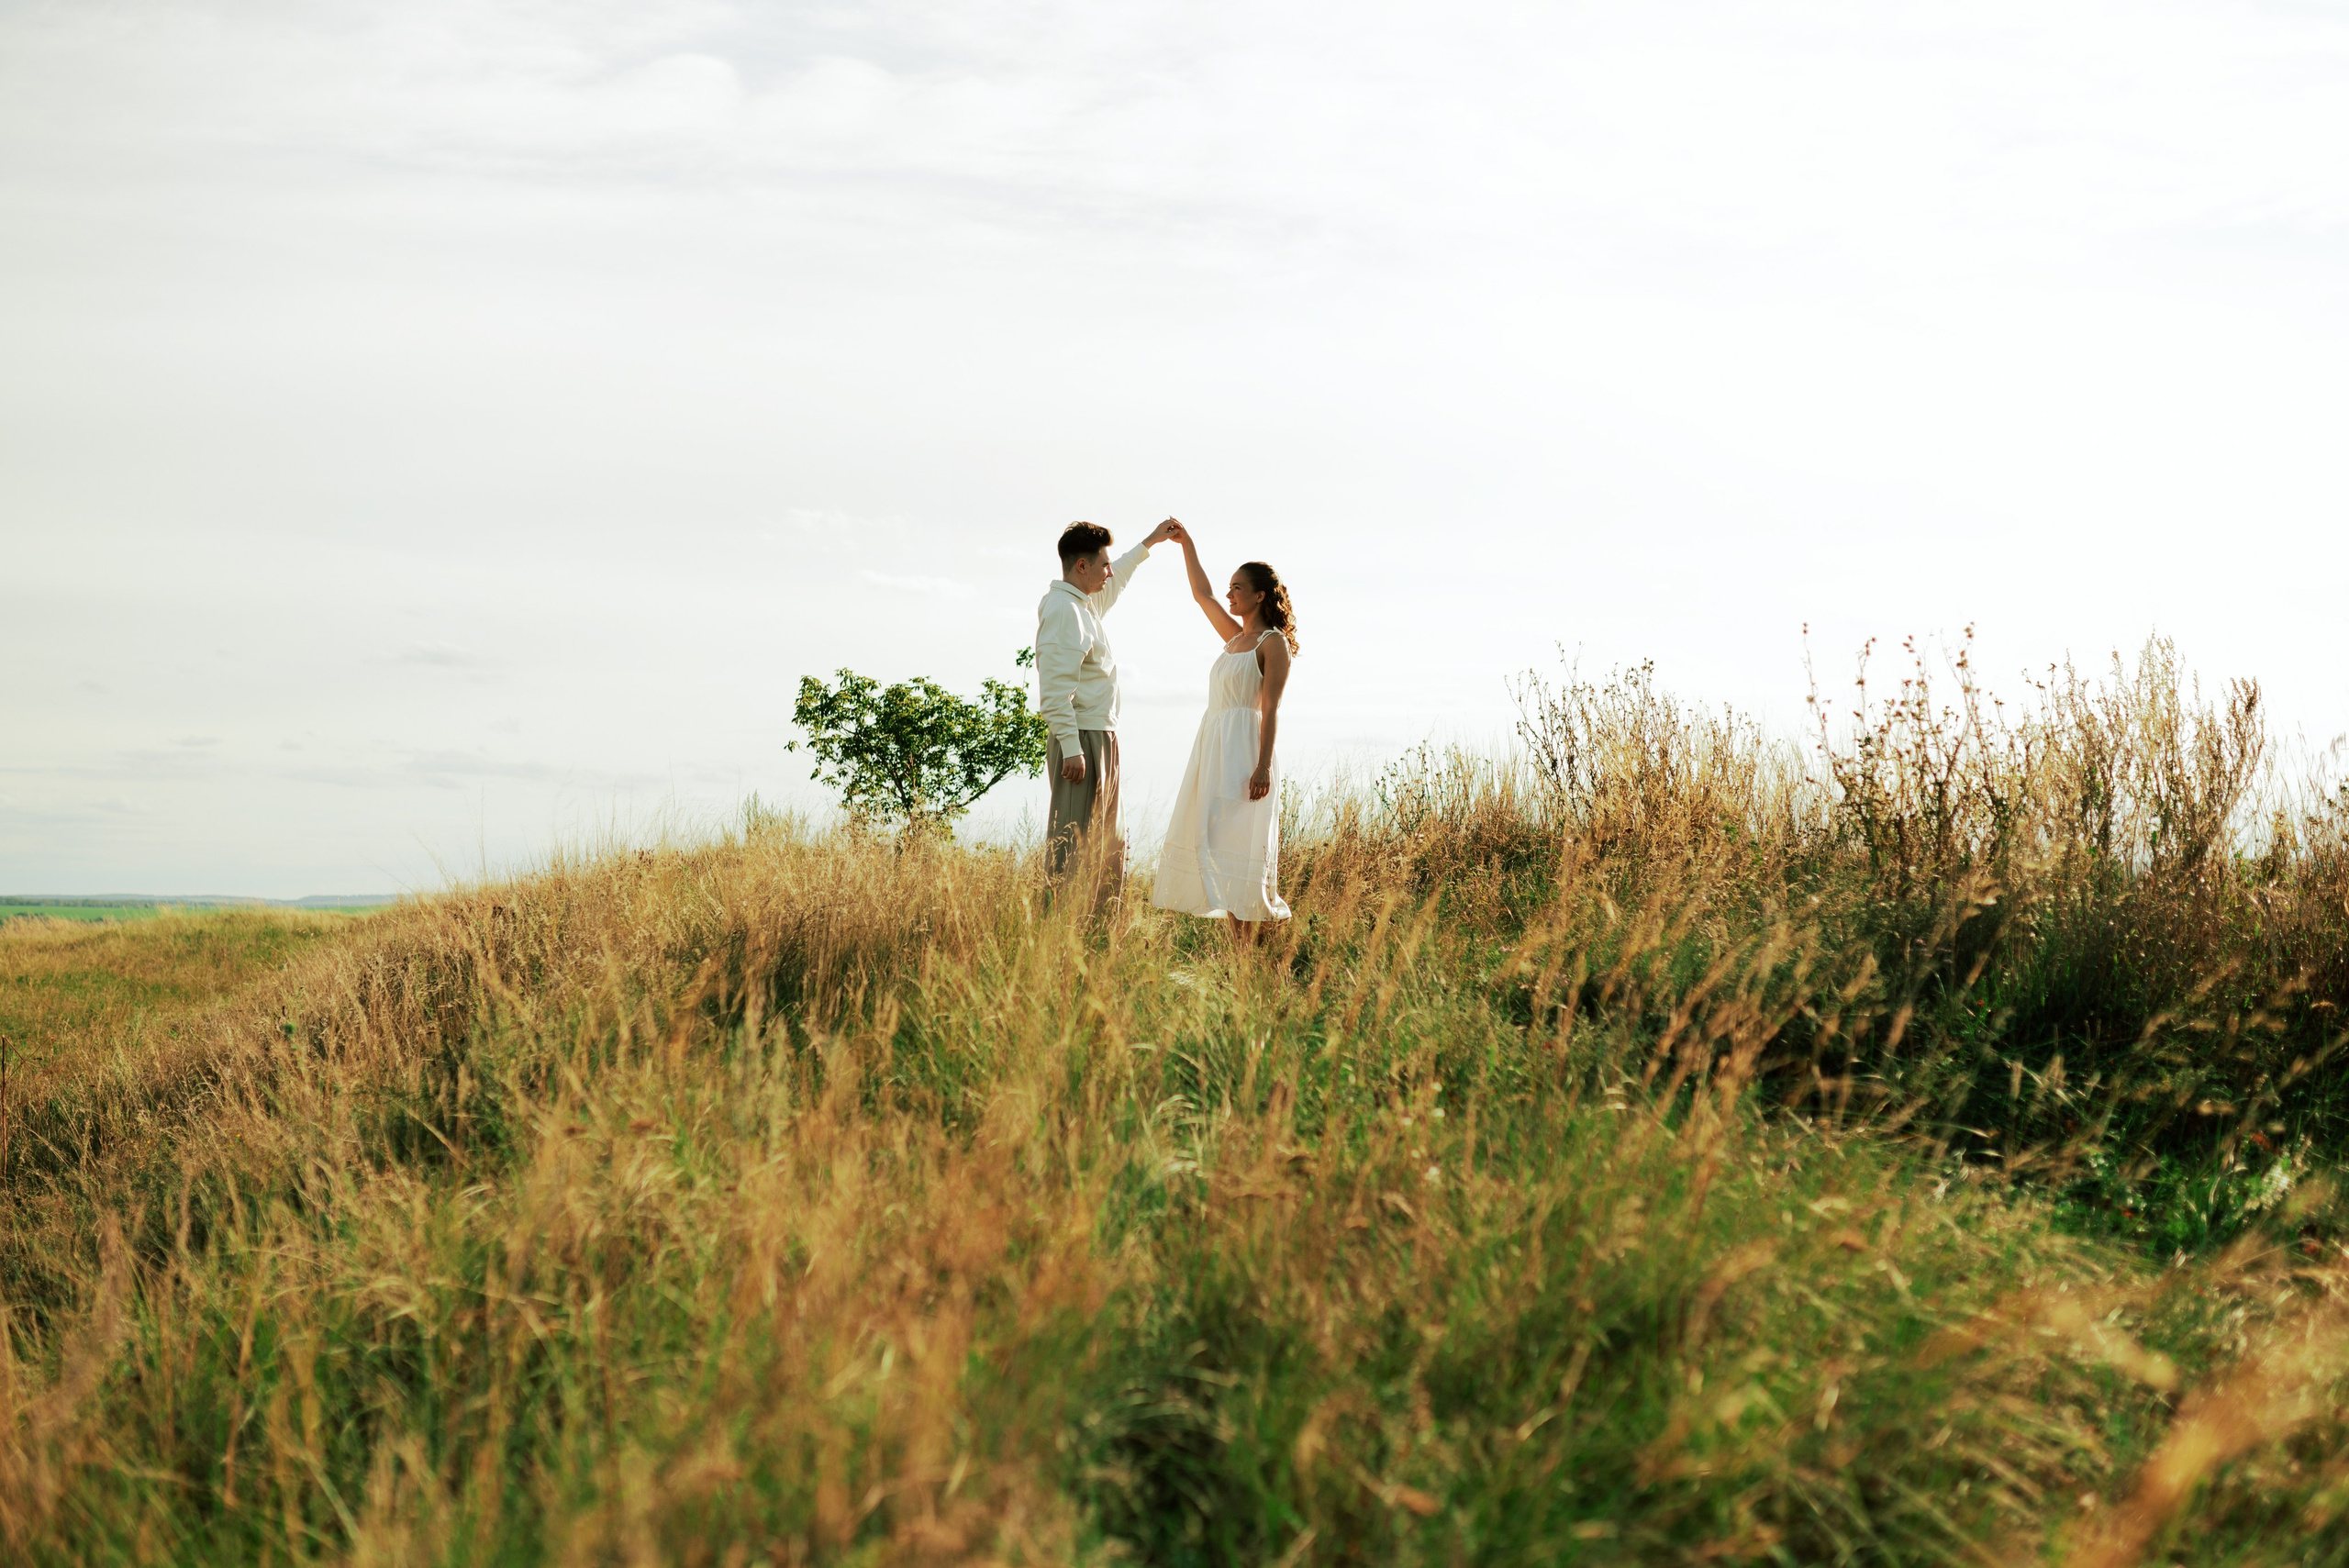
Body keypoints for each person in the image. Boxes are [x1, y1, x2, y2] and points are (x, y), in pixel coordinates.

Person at [1152, 522, 1297, 942]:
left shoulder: (1272, 643)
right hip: (1213, 747)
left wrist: (1263, 767)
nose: (1230, 594)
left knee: (1238, 846)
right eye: (1230, 587)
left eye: (1238, 588)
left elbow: (1270, 711)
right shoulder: (1234, 639)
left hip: (1245, 752)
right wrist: (1186, 545)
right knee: (1211, 843)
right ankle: (1242, 945)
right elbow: (1202, 595)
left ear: (1259, 595)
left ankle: (1246, 948)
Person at [1036, 517, 1182, 896]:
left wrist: (1151, 542)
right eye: (1103, 563)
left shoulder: (1083, 605)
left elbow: (1117, 581)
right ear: (1081, 566)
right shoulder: (1065, 611)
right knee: (1070, 851)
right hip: (1081, 742)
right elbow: (1054, 692)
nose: (1109, 570)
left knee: (1104, 847)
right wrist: (1071, 747)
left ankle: (1095, 941)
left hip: (1099, 736)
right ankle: (1058, 937)